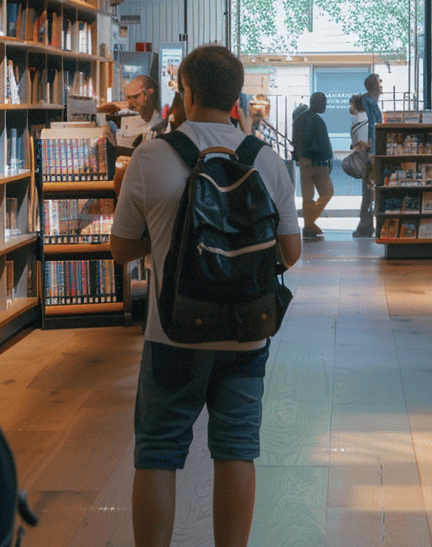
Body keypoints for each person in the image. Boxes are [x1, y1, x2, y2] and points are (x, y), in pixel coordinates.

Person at [109, 45, 301, 547]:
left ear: (186, 92)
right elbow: (292, 251)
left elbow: (121, 249)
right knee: (237, 448)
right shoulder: (267, 161)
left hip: (172, 329)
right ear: (238, 97)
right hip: (247, 331)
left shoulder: (151, 156)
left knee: (158, 451)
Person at [293, 92, 334, 240]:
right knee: (327, 192)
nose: (325, 105)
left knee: (308, 197)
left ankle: (309, 225)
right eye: (323, 102)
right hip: (316, 162)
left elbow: (296, 142)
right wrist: (327, 158)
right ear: (316, 102)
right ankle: (309, 224)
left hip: (305, 162)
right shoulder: (314, 119)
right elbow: (315, 142)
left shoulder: (300, 119)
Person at [353, 74, 384, 237]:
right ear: (373, 85)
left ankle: (367, 226)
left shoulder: (371, 104)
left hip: (373, 152)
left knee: (370, 190)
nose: (381, 85)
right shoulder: (368, 105)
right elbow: (368, 130)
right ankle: (365, 226)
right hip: (369, 154)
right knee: (368, 190)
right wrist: (370, 151)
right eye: (379, 82)